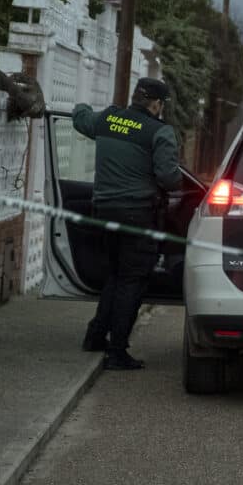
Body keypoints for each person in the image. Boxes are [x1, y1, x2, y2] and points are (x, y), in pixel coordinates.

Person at [72, 77, 182, 370]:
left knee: (115, 274)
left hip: (103, 212)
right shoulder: (160, 132)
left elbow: (80, 118)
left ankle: (96, 336)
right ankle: (117, 351)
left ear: (135, 96)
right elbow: (170, 179)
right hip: (137, 216)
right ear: (157, 104)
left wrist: (82, 102)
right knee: (132, 281)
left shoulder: (108, 119)